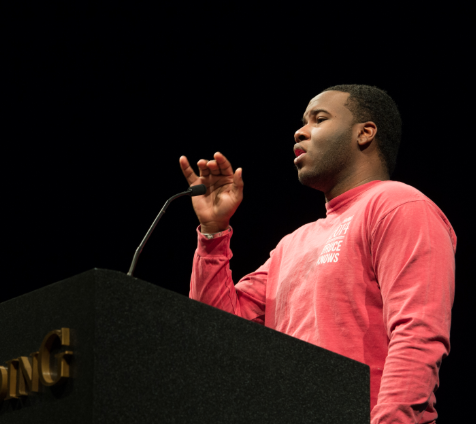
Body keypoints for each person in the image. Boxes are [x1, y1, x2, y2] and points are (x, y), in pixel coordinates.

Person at [179, 85, 456, 424]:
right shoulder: (291, 245)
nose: (300, 131)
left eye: (319, 119)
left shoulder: (398, 205)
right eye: (302, 121)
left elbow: (418, 333)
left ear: (365, 133)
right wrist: (213, 231)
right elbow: (215, 333)